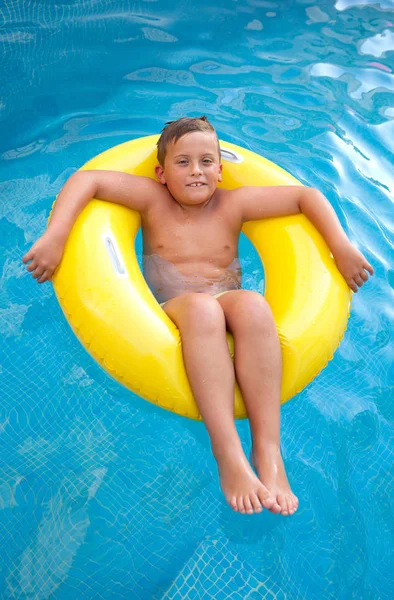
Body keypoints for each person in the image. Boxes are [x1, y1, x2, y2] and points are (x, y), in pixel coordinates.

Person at [22, 116, 374, 516]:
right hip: (178, 309)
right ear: (161, 173)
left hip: (225, 298)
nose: (196, 171)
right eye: (183, 162)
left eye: (207, 161)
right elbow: (87, 181)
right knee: (205, 309)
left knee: (254, 304)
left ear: (221, 170)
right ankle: (228, 454)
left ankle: (268, 450)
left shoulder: (234, 203)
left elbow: (305, 197)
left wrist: (341, 247)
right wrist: (56, 236)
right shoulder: (153, 199)